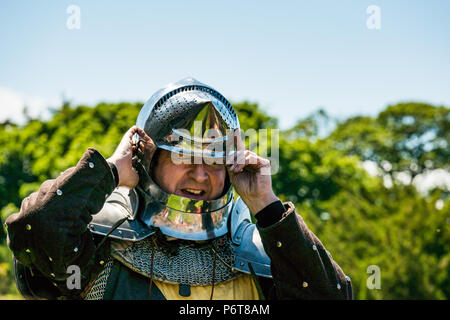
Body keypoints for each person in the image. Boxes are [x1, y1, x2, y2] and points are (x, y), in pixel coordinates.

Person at [5, 78, 352, 300]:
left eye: (214, 161)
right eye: (184, 157)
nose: (201, 175)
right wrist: (110, 170)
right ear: (149, 159)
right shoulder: (97, 238)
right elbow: (33, 232)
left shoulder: (260, 254)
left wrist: (268, 206)